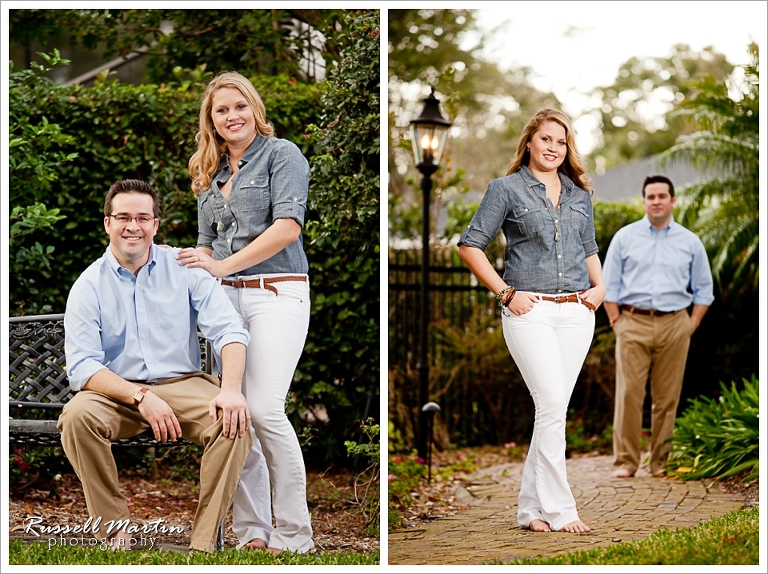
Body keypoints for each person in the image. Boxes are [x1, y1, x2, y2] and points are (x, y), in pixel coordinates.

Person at [59, 179, 253, 553]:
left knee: (234, 423)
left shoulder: (183, 268)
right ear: (107, 223)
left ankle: (203, 543)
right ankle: (115, 532)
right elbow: (83, 367)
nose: (133, 226)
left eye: (142, 218)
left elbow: (230, 330)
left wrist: (230, 391)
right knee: (76, 417)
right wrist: (140, 396)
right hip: (117, 392)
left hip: (184, 385)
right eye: (123, 217)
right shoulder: (88, 285)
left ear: (155, 225)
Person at [179, 71, 313, 553]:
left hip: (277, 291)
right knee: (236, 415)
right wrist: (200, 278)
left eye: (239, 106)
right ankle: (253, 532)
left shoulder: (283, 155)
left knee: (264, 408)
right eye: (221, 110)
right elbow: (203, 246)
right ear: (211, 120)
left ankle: (296, 534)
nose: (231, 116)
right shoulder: (208, 173)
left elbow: (286, 229)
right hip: (223, 302)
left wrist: (220, 267)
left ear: (254, 108)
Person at [458, 108, 605, 534]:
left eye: (561, 142)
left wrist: (600, 287)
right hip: (530, 311)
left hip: (578, 313)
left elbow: (589, 248)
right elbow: (470, 247)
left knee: (552, 409)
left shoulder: (579, 194)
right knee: (551, 406)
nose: (553, 148)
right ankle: (561, 510)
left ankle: (530, 509)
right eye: (546, 140)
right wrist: (505, 293)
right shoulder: (505, 190)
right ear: (529, 142)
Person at [602, 175, 714, 479]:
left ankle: (660, 462)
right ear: (644, 201)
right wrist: (616, 322)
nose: (656, 201)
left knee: (667, 398)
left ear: (672, 200)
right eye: (650, 197)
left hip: (675, 324)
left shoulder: (690, 241)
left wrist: (690, 325)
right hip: (632, 322)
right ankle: (626, 462)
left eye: (662, 196)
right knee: (629, 395)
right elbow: (607, 285)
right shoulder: (625, 238)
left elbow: (704, 290)